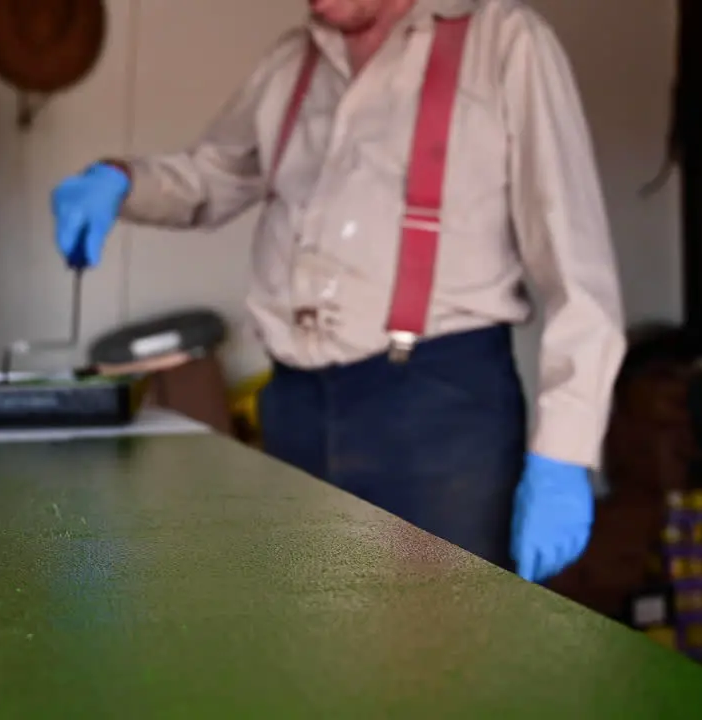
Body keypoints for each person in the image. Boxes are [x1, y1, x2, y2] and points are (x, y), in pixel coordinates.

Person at [49, 0, 625, 584]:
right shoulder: (292, 62)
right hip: (295, 405)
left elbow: (578, 269)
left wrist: (562, 453)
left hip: (439, 415)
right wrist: (122, 181)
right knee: (312, 647)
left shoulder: (505, 42)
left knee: (445, 659)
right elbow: (212, 176)